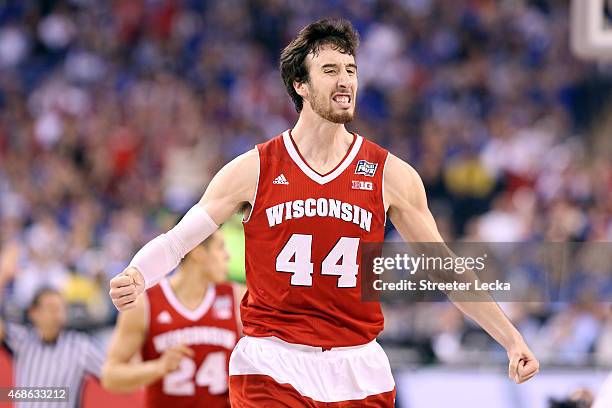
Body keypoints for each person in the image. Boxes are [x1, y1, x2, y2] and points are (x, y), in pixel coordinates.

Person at [109, 18, 540, 407]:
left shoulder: (391, 175)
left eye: (351, 70)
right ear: (300, 83)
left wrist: (511, 338)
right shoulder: (253, 169)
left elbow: (445, 269)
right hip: (271, 362)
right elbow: (180, 240)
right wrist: (137, 274)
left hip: (358, 366)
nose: (345, 81)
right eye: (330, 71)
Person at [102, 231, 243, 408]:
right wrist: (158, 368)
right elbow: (110, 376)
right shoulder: (145, 303)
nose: (228, 256)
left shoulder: (237, 296)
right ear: (198, 252)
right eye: (221, 247)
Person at [0, 288, 105, 408]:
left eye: (61, 308)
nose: (57, 313)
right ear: (33, 312)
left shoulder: (79, 346)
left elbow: (111, 370)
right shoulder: (22, 340)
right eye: (51, 308)